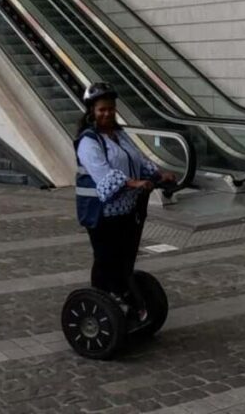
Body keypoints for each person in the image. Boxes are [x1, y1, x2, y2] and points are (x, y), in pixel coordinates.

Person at [75, 82, 175, 321]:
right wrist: (134, 183)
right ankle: (102, 305)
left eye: (110, 108)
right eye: (102, 110)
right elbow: (103, 175)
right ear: (91, 112)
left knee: (125, 258)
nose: (107, 113)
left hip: (128, 209)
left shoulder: (120, 135)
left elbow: (139, 161)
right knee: (107, 259)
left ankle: (124, 301)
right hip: (101, 212)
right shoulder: (88, 141)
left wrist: (159, 174)